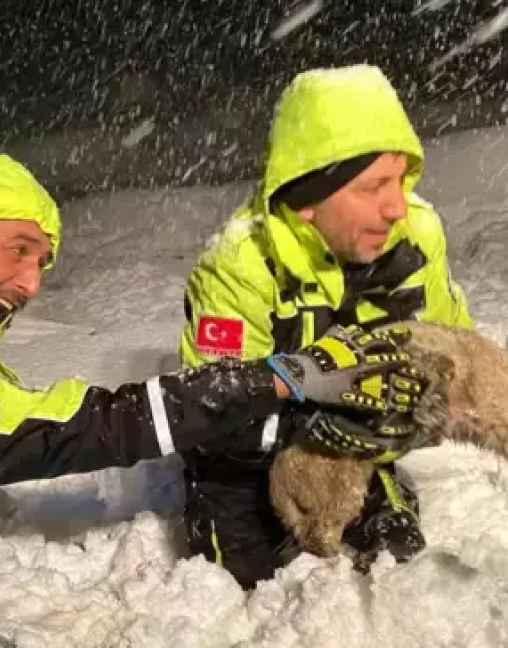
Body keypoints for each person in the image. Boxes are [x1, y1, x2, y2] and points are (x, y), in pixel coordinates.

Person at [0, 151, 428, 645]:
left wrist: (281, 376)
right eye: (18, 249)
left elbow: (118, 421)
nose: (32, 283)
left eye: (41, 263)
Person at [179, 64, 474, 589]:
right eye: (374, 186)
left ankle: (375, 485)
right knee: (242, 577)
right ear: (308, 200)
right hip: (249, 454)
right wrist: (319, 427)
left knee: (398, 557)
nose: (397, 206)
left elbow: (456, 354)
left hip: (357, 443)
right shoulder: (240, 264)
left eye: (401, 179)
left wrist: (416, 408)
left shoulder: (417, 234)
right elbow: (214, 409)